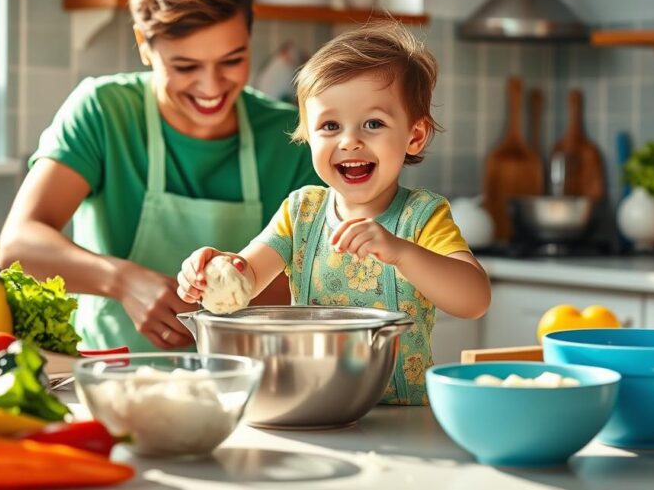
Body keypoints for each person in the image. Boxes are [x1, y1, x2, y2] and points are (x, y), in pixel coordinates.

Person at [0, 0, 320, 352]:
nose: (211, 87)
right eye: (185, 66)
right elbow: (18, 245)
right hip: (113, 380)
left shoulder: (292, 137)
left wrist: (233, 280)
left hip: (251, 390)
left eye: (232, 60)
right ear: (145, 45)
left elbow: (322, 280)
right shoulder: (103, 112)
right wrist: (123, 280)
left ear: (250, 33)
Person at [177, 21, 492, 405]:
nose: (350, 141)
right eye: (329, 126)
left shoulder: (422, 215)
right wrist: (214, 271)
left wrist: (401, 252)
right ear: (308, 136)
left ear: (414, 135)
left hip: (400, 415)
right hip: (313, 402)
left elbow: (474, 300)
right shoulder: (301, 211)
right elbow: (249, 274)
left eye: (373, 123)